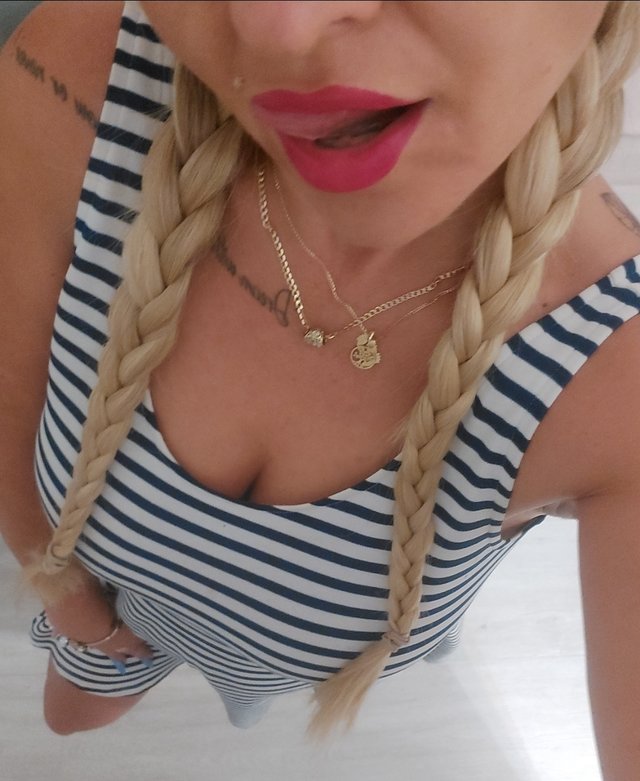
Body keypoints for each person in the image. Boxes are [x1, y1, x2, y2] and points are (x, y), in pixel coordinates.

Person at [1, 0, 639, 774]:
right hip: (99, 609)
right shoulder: (87, 69)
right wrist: (78, 612)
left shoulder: (615, 374)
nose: (281, 28)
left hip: (260, 661)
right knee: (68, 713)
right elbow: (9, 403)